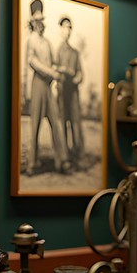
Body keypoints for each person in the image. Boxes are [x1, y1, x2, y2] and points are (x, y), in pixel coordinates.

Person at [24, 0, 70, 175]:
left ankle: (62, 160)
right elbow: (32, 61)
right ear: (33, 22)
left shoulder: (47, 42)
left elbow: (52, 63)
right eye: (37, 20)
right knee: (34, 124)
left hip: (48, 87)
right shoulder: (32, 40)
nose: (40, 23)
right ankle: (32, 162)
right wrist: (52, 73)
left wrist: (59, 70)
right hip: (37, 85)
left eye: (42, 20)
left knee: (56, 122)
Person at [55, 15, 85, 165]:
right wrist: (64, 70)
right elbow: (53, 68)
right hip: (61, 90)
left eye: (69, 27)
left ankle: (77, 154)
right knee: (62, 122)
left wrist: (76, 78)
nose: (66, 30)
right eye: (64, 27)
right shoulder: (58, 50)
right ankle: (64, 155)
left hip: (72, 91)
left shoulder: (75, 52)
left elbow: (80, 73)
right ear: (60, 30)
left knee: (75, 121)